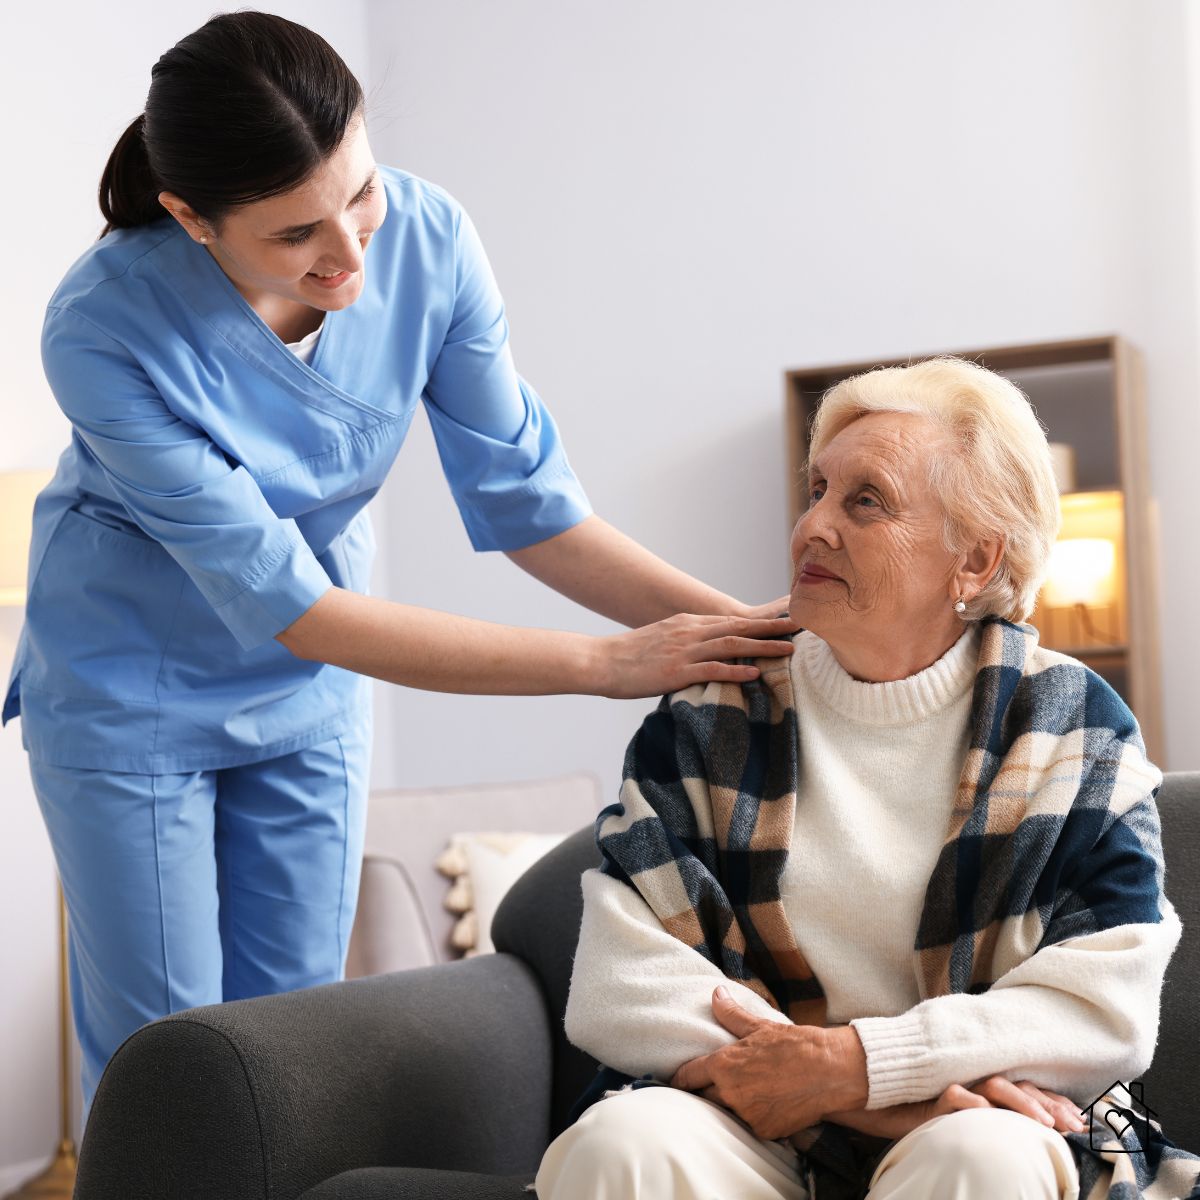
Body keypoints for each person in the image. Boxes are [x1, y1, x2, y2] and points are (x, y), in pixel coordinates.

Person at [1, 11, 797, 1115]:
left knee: (289, 1042)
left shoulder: (431, 236)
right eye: (296, 236)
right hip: (133, 686)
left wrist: (760, 640)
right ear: (192, 218)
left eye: (360, 193)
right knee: (166, 1055)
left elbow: (534, 510)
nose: (352, 253)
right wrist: (609, 664)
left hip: (307, 693)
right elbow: (300, 609)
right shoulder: (102, 328)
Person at [535, 357, 1197, 1200]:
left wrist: (860, 1068)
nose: (813, 526)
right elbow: (619, 986)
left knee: (980, 1159)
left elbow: (1102, 1008)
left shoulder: (1073, 722)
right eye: (816, 489)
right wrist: (829, 1090)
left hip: (974, 1121)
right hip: (752, 1120)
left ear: (975, 559)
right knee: (624, 1140)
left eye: (865, 501)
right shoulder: (714, 712)